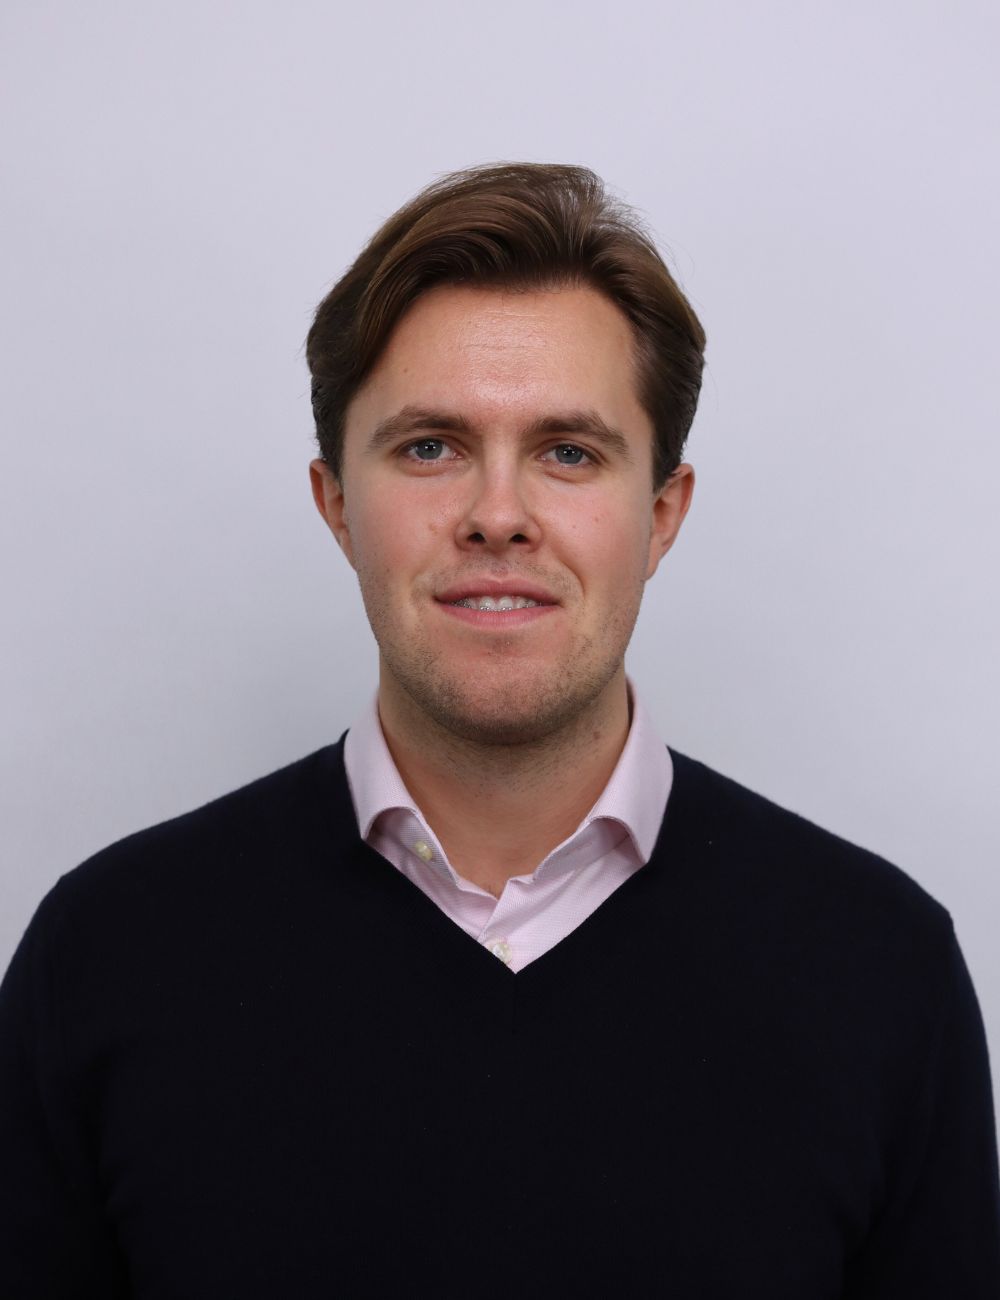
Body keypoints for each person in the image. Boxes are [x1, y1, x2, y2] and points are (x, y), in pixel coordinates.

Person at [1, 163, 997, 1298]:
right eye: (429, 446)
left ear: (659, 514)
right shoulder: (105, 958)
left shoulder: (881, 973)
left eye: (568, 452)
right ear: (337, 505)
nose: (497, 515)